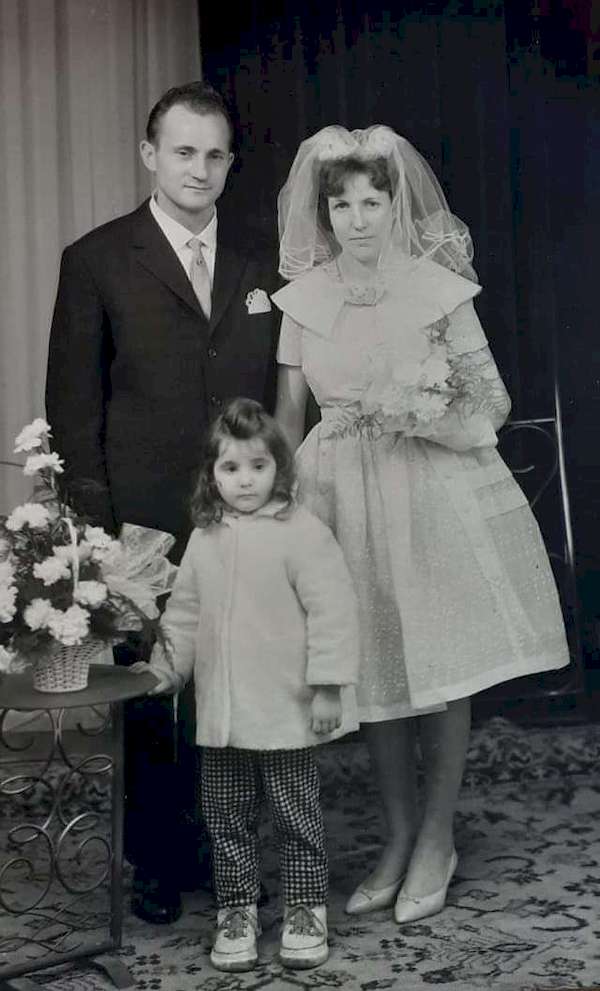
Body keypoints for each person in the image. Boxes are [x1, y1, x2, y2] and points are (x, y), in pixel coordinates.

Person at [273, 125, 570, 925]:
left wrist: (427, 413)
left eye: (373, 201)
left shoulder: (436, 287)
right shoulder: (302, 297)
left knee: (437, 666)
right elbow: (287, 415)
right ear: (324, 211)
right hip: (338, 493)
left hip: (428, 488)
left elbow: (491, 401)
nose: (359, 218)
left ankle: (438, 836)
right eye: (343, 204)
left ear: (395, 203)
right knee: (372, 671)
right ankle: (399, 838)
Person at [45, 82, 280, 924]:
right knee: (153, 690)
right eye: (184, 151)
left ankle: (231, 855)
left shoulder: (263, 262)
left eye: (216, 153)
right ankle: (156, 858)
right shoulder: (98, 259)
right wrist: (99, 535)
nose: (201, 169)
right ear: (151, 155)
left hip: (245, 514)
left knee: (235, 687)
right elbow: (73, 409)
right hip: (139, 521)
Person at [137, 397, 360, 972]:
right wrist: (168, 669)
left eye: (258, 467)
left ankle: (306, 909)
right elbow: (184, 613)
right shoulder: (206, 536)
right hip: (223, 715)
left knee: (295, 816)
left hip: (286, 709)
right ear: (212, 474)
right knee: (226, 817)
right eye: (230, 468)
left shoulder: (301, 532)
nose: (244, 481)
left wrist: (330, 685)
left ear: (279, 469)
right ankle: (236, 910)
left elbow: (333, 609)